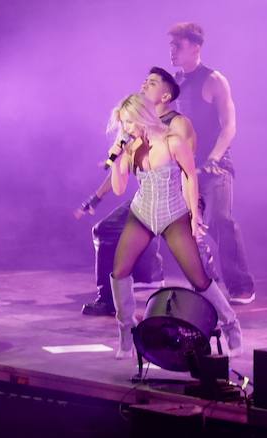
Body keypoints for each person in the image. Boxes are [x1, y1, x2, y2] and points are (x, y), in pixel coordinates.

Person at [105, 93, 242, 360]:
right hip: (142, 212)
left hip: (173, 213)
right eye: (123, 125)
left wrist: (193, 216)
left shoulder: (172, 141)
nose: (127, 129)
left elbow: (190, 176)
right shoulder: (131, 147)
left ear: (143, 116)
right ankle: (126, 330)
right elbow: (120, 189)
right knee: (119, 271)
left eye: (130, 123)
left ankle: (230, 325)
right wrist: (118, 159)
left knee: (198, 277)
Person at [76, 68, 181, 316]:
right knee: (107, 229)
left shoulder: (174, 124)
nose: (144, 86)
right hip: (147, 196)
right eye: (144, 82)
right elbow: (120, 170)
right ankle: (129, 287)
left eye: (152, 84)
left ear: (166, 95)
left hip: (168, 196)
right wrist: (96, 197)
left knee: (190, 250)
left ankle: (137, 282)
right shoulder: (135, 124)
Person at [170, 22, 256, 304]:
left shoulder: (214, 80)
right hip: (187, 169)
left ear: (195, 48)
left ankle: (242, 286)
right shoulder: (176, 82)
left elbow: (229, 127)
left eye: (177, 46)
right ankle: (208, 284)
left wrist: (212, 159)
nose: (172, 51)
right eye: (171, 46)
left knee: (221, 220)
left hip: (216, 167)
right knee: (183, 227)